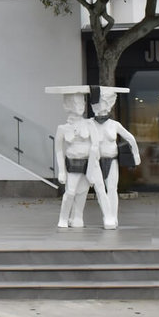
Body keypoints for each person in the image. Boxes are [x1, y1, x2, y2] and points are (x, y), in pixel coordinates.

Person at [89, 86, 141, 229]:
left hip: (111, 160)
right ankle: (107, 216)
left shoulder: (114, 125)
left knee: (112, 189)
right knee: (100, 189)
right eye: (97, 103)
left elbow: (130, 138)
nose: (100, 107)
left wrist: (136, 155)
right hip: (95, 161)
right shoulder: (89, 124)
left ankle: (113, 216)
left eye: (103, 103)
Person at [54, 92, 97, 228]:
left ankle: (78, 217)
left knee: (83, 191)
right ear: (68, 105)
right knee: (71, 191)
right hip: (72, 163)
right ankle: (63, 218)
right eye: (76, 103)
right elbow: (59, 149)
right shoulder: (62, 128)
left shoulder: (90, 124)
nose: (80, 106)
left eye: (82, 103)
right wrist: (61, 171)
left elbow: (95, 145)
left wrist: (93, 166)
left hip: (87, 162)